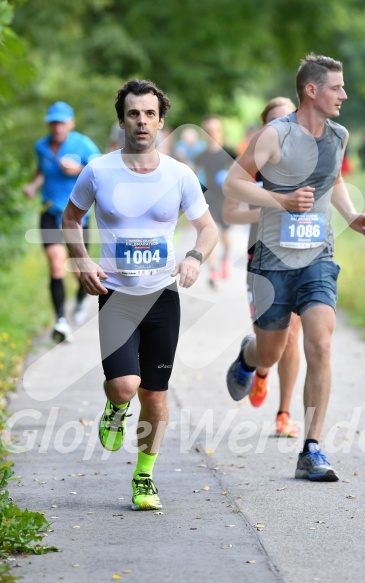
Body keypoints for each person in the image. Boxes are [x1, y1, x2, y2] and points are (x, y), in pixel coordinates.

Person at [223, 53, 365, 481]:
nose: (344, 95)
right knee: (271, 353)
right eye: (337, 87)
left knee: (320, 343)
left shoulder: (339, 134)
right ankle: (248, 355)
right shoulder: (275, 135)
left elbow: (335, 180)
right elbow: (233, 182)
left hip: (317, 257)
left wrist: (350, 216)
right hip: (272, 264)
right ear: (312, 90)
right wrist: (281, 201)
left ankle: (312, 447)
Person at [62, 79, 218, 510]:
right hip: (115, 294)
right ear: (122, 120)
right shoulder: (98, 170)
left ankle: (144, 476)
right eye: (134, 113)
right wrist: (83, 262)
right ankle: (115, 409)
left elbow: (208, 228)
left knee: (155, 394)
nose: (142, 121)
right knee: (125, 386)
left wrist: (193, 257)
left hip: (162, 297)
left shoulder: (179, 174)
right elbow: (70, 218)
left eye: (149, 114)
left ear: (161, 121)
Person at [223, 97, 300, 438]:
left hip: (300, 255)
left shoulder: (309, 158)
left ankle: (284, 414)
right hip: (263, 259)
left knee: (294, 335)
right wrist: (268, 212)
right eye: (274, 122)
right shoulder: (253, 164)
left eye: (288, 120)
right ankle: (251, 360)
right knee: (272, 341)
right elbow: (229, 214)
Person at [23, 102, 100, 342]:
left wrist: (78, 169)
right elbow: (41, 169)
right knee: (56, 263)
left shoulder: (83, 144)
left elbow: (101, 170)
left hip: (77, 216)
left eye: (62, 122)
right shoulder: (41, 146)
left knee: (80, 270)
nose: (57, 126)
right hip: (50, 211)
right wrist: (33, 185)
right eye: (53, 122)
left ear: (71, 123)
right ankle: (60, 320)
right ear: (49, 123)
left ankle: (79, 300)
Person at [194, 115, 236, 288]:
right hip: (208, 198)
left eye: (215, 129)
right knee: (211, 233)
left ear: (220, 131)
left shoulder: (230, 152)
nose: (212, 133)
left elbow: (242, 174)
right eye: (208, 130)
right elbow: (191, 174)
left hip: (226, 198)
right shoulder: (201, 155)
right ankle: (213, 271)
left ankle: (226, 259)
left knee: (225, 236)